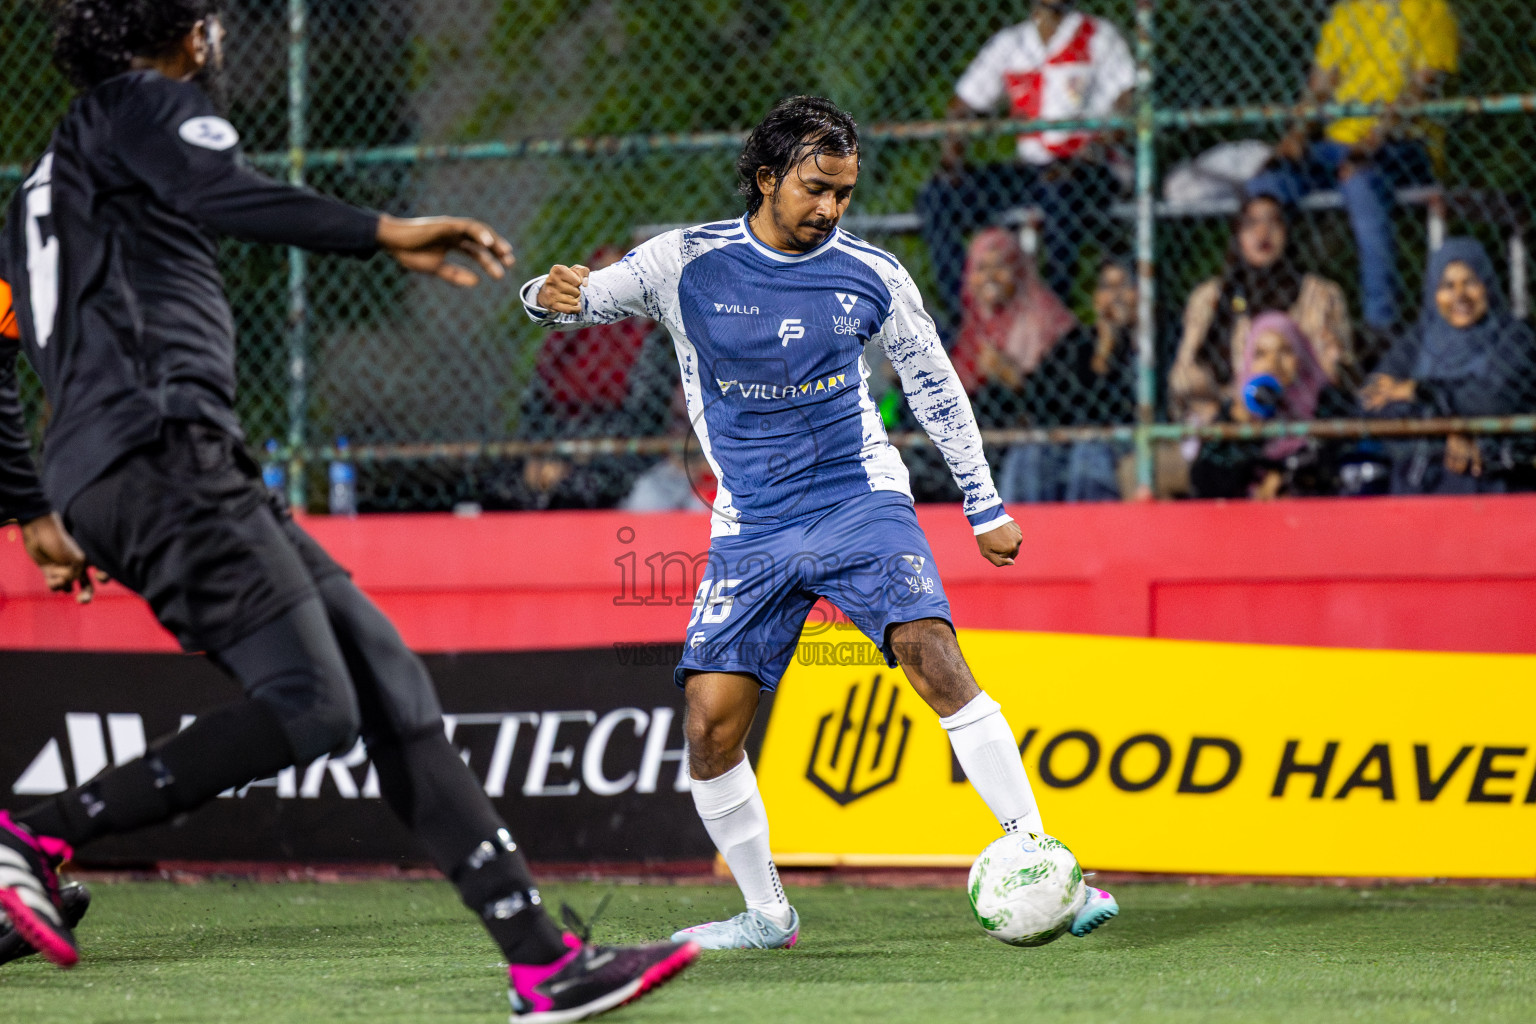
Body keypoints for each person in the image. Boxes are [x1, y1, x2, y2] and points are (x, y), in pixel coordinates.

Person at [0, 4, 698, 1019]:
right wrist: (386, 232)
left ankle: (542, 961)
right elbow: (223, 191)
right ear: (191, 35)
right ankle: (32, 835)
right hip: (163, 455)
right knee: (313, 704)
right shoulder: (147, 102)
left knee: (382, 676)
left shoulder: (40, 187)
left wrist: (34, 504)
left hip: (139, 466)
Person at [520, 95, 1120, 951]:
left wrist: (983, 504)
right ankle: (767, 916)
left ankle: (1045, 859)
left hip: (857, 500)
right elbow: (574, 304)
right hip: (751, 525)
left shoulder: (872, 275)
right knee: (709, 723)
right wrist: (548, 291)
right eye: (815, 188)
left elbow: (934, 386)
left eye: (844, 192)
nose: (831, 209)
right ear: (766, 179)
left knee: (932, 653)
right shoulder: (683, 261)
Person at [1247, 0, 1460, 338]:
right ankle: (1263, 306)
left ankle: (1380, 325)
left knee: (1361, 182)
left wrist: (1376, 137)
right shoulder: (1348, 12)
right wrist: (1296, 135)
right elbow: (1320, 85)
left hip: (1405, 143)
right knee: (1266, 185)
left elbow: (1422, 86)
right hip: (1337, 147)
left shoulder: (1429, 8)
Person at [918, 0, 1135, 327]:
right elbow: (962, 105)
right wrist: (952, 161)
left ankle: (1049, 317)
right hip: (1034, 170)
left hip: (1091, 168)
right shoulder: (1012, 43)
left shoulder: (1098, 35)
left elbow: (1127, 100)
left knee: (1060, 191)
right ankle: (964, 318)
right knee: (939, 197)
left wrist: (1091, 150)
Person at [1167, 195, 1353, 492]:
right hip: (1225, 425)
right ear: (1237, 235)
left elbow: (1340, 374)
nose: (1263, 233)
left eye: (1273, 222)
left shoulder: (1320, 296)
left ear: (1289, 233)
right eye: (1251, 223)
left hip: (1298, 422)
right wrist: (1230, 404)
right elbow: (1182, 378)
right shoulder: (1211, 299)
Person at [1361, 237, 1536, 495]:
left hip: (1496, 479)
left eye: (1471, 283)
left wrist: (1420, 392)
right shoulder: (1419, 339)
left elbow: (1493, 398)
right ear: (1433, 292)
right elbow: (1372, 399)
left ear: (1487, 284)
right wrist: (1450, 431)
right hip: (1422, 485)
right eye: (1447, 286)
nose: (1460, 296)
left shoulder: (1515, 335)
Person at [999, 257, 1139, 502]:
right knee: (1028, 453)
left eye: (1124, 286)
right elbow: (1049, 397)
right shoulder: (1077, 343)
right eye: (1107, 287)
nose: (1114, 296)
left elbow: (1119, 408)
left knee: (1089, 452)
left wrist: (1108, 353)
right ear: (1096, 299)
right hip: (1068, 439)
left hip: (1121, 437)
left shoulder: (1152, 345)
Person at [1189, 311, 1353, 499]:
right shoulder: (1236, 409)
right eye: (1261, 354)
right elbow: (1205, 484)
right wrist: (1239, 430)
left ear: (1301, 355)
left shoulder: (1327, 402)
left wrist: (1285, 478)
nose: (1272, 363)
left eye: (1285, 351)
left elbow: (1335, 466)